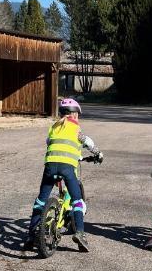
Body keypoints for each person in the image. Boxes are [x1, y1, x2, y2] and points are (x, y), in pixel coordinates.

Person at [24, 98, 103, 253]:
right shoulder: (76, 129)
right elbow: (88, 142)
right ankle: (80, 234)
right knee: (77, 201)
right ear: (74, 115)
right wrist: (99, 154)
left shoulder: (54, 127)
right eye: (78, 115)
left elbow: (50, 142)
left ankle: (31, 235)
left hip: (50, 167)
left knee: (41, 200)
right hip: (67, 168)